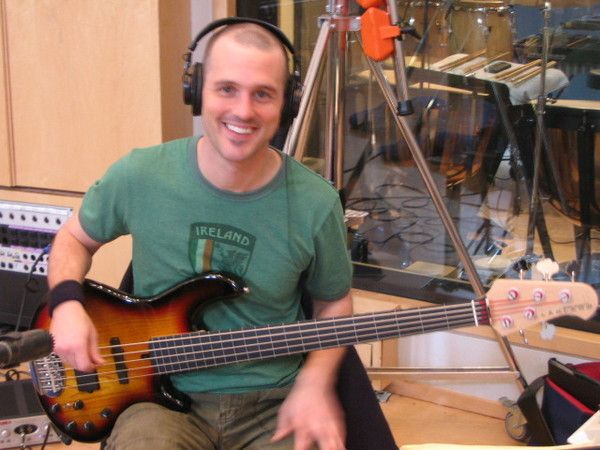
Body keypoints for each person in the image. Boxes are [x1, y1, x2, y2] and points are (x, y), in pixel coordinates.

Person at [47, 19, 354, 450]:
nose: (243, 111)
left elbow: (333, 302)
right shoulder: (140, 175)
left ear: (287, 104)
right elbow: (75, 238)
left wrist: (315, 383)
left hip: (273, 403)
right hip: (157, 399)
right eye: (226, 89)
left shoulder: (316, 203)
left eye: (262, 94)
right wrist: (65, 304)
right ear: (196, 91)